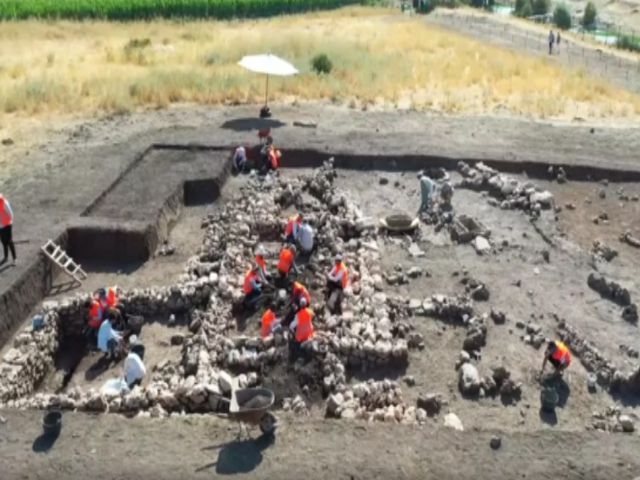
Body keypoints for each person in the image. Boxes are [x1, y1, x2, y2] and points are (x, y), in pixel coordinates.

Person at [0, 194, 16, 266]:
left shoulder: (4, 202)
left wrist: (8, 223)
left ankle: (14, 259)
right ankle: (6, 257)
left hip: (7, 225)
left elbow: (11, 214)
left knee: (9, 241)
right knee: (3, 241)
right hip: (0, 226)